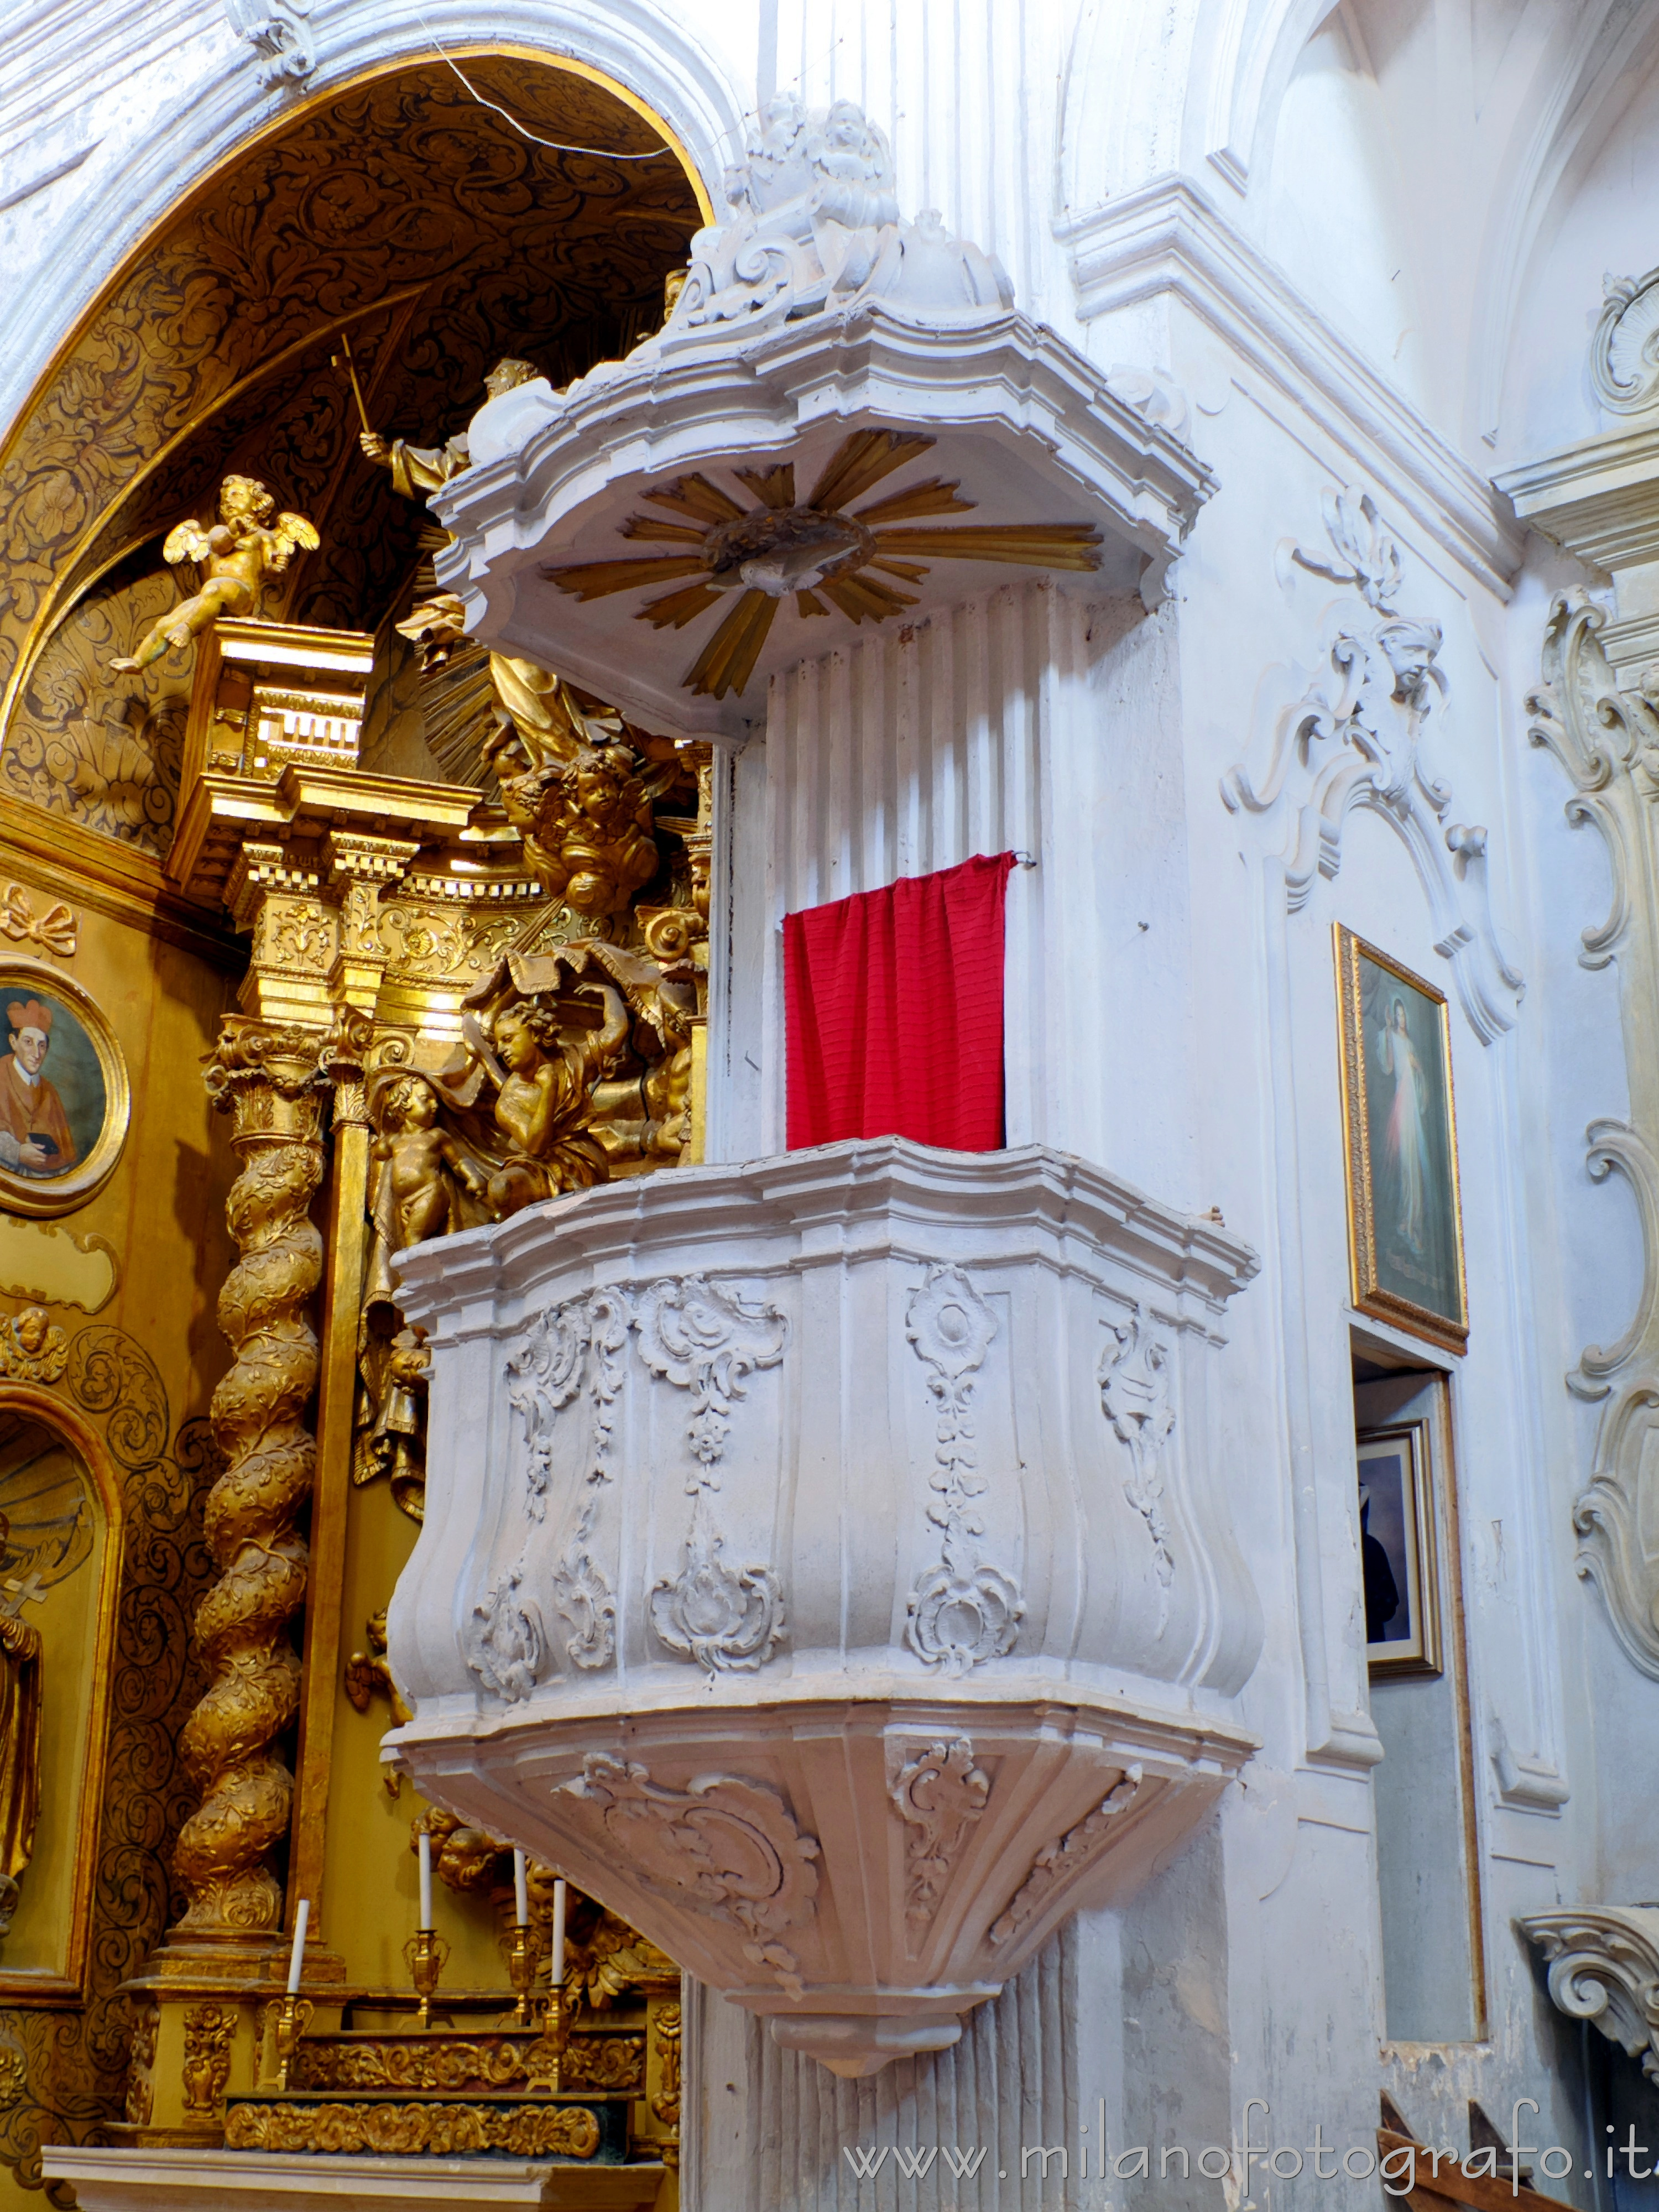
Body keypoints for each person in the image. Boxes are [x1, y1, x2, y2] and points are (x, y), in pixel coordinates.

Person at [110, 474, 318, 674]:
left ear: (256, 503)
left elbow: (270, 568)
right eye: (225, 499)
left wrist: (278, 566)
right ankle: (139, 662)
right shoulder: (218, 531)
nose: (229, 501)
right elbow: (219, 545)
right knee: (168, 622)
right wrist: (233, 531)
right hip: (212, 596)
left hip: (241, 595)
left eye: (237, 495)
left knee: (214, 588)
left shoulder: (263, 537)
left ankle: (188, 629)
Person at [1377, 994, 1428, 1258]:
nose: (1402, 1019)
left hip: (1413, 1108)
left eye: (1403, 1015)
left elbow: (1420, 1082)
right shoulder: (1394, 1039)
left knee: (1415, 1166)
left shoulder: (1410, 1044)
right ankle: (1404, 1220)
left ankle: (1413, 1222)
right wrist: (1387, 1030)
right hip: (1402, 1104)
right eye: (1398, 1016)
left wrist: (1418, 1070)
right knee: (1405, 1162)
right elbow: (1387, 1067)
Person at [0, 1000, 77, 1176]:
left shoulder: (50, 1092)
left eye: (42, 1046)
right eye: (28, 1042)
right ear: (14, 1042)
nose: (36, 1054)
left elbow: (64, 1157)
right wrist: (17, 1153)